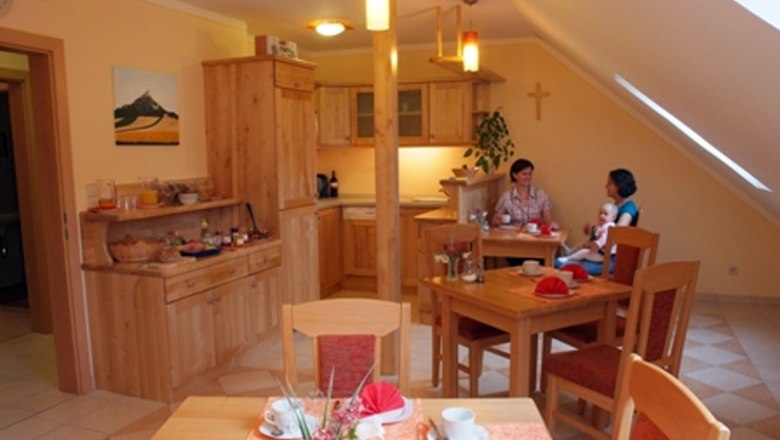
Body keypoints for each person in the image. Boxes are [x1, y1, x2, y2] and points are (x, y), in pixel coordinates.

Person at [492, 158, 559, 229]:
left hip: (536, 237)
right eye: (524, 174)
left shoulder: (541, 195)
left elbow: (549, 221)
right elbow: (494, 221)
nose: (528, 177)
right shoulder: (506, 197)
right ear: (514, 175)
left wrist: (552, 225)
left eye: (530, 174)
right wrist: (497, 220)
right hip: (514, 237)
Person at [556, 202, 617, 266]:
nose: (602, 215)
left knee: (583, 252)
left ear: (613, 217)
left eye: (605, 214)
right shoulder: (600, 225)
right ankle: (569, 253)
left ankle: (568, 258)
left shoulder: (610, 227)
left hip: (604, 256)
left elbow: (604, 238)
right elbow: (594, 233)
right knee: (581, 245)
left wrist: (597, 244)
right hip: (598, 252)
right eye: (600, 213)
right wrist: (589, 230)